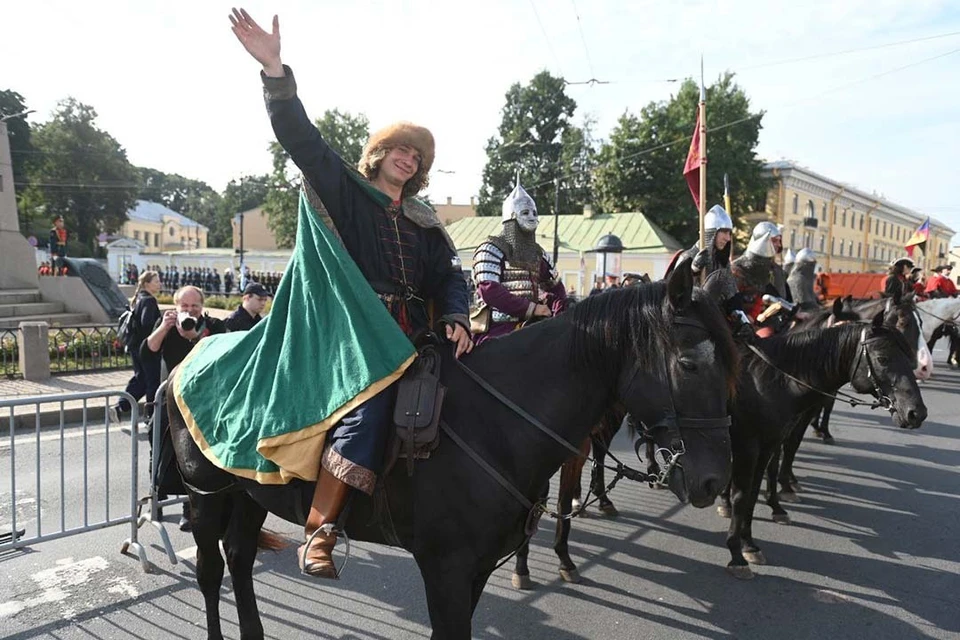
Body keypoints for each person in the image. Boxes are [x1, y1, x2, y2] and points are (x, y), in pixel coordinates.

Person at [230, 7, 471, 578]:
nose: (407, 158)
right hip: (355, 338)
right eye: (399, 149)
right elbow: (302, 141)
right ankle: (321, 529)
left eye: (416, 155)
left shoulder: (423, 220)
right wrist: (274, 71)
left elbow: (450, 276)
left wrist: (458, 313)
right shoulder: (349, 193)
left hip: (414, 335)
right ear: (381, 155)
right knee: (371, 409)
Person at [143, 285, 226, 531]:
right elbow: (147, 351)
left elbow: (221, 354)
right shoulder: (166, 324)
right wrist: (164, 327)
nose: (190, 311)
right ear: (176, 307)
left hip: (202, 404)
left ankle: (189, 508)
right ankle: (156, 499)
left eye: (195, 306)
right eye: (185, 307)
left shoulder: (214, 325)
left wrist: (195, 336)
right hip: (168, 402)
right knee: (157, 450)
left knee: (193, 458)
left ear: (202, 307)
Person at [470, 176, 566, 344]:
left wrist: (560, 314)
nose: (531, 216)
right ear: (511, 216)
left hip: (533, 325)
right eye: (525, 212)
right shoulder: (490, 249)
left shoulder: (538, 254)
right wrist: (533, 308)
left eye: (534, 213)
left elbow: (556, 288)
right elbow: (489, 291)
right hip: (497, 329)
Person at [109, 271, 163, 427]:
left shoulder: (138, 298)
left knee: (141, 379)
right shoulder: (149, 300)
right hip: (146, 348)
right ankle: (152, 416)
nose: (159, 283)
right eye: (156, 281)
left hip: (135, 347)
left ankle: (120, 406)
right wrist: (159, 329)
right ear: (147, 284)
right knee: (153, 382)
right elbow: (147, 324)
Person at [731, 221, 788, 323]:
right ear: (764, 240)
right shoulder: (737, 269)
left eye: (779, 241)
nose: (779, 245)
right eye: (775, 241)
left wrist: (752, 316)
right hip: (734, 322)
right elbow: (731, 301)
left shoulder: (765, 269)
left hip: (755, 320)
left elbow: (762, 297)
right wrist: (745, 320)